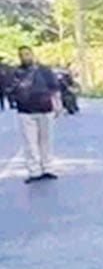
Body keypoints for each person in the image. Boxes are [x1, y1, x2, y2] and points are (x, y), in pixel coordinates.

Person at [10, 46, 62, 183]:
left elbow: (54, 88)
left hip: (45, 109)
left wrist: (57, 105)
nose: (25, 57)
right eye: (22, 55)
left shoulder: (44, 70)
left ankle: (48, 168)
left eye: (27, 54)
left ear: (32, 55)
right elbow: (11, 89)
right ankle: (34, 171)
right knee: (30, 143)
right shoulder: (17, 73)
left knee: (46, 141)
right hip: (25, 111)